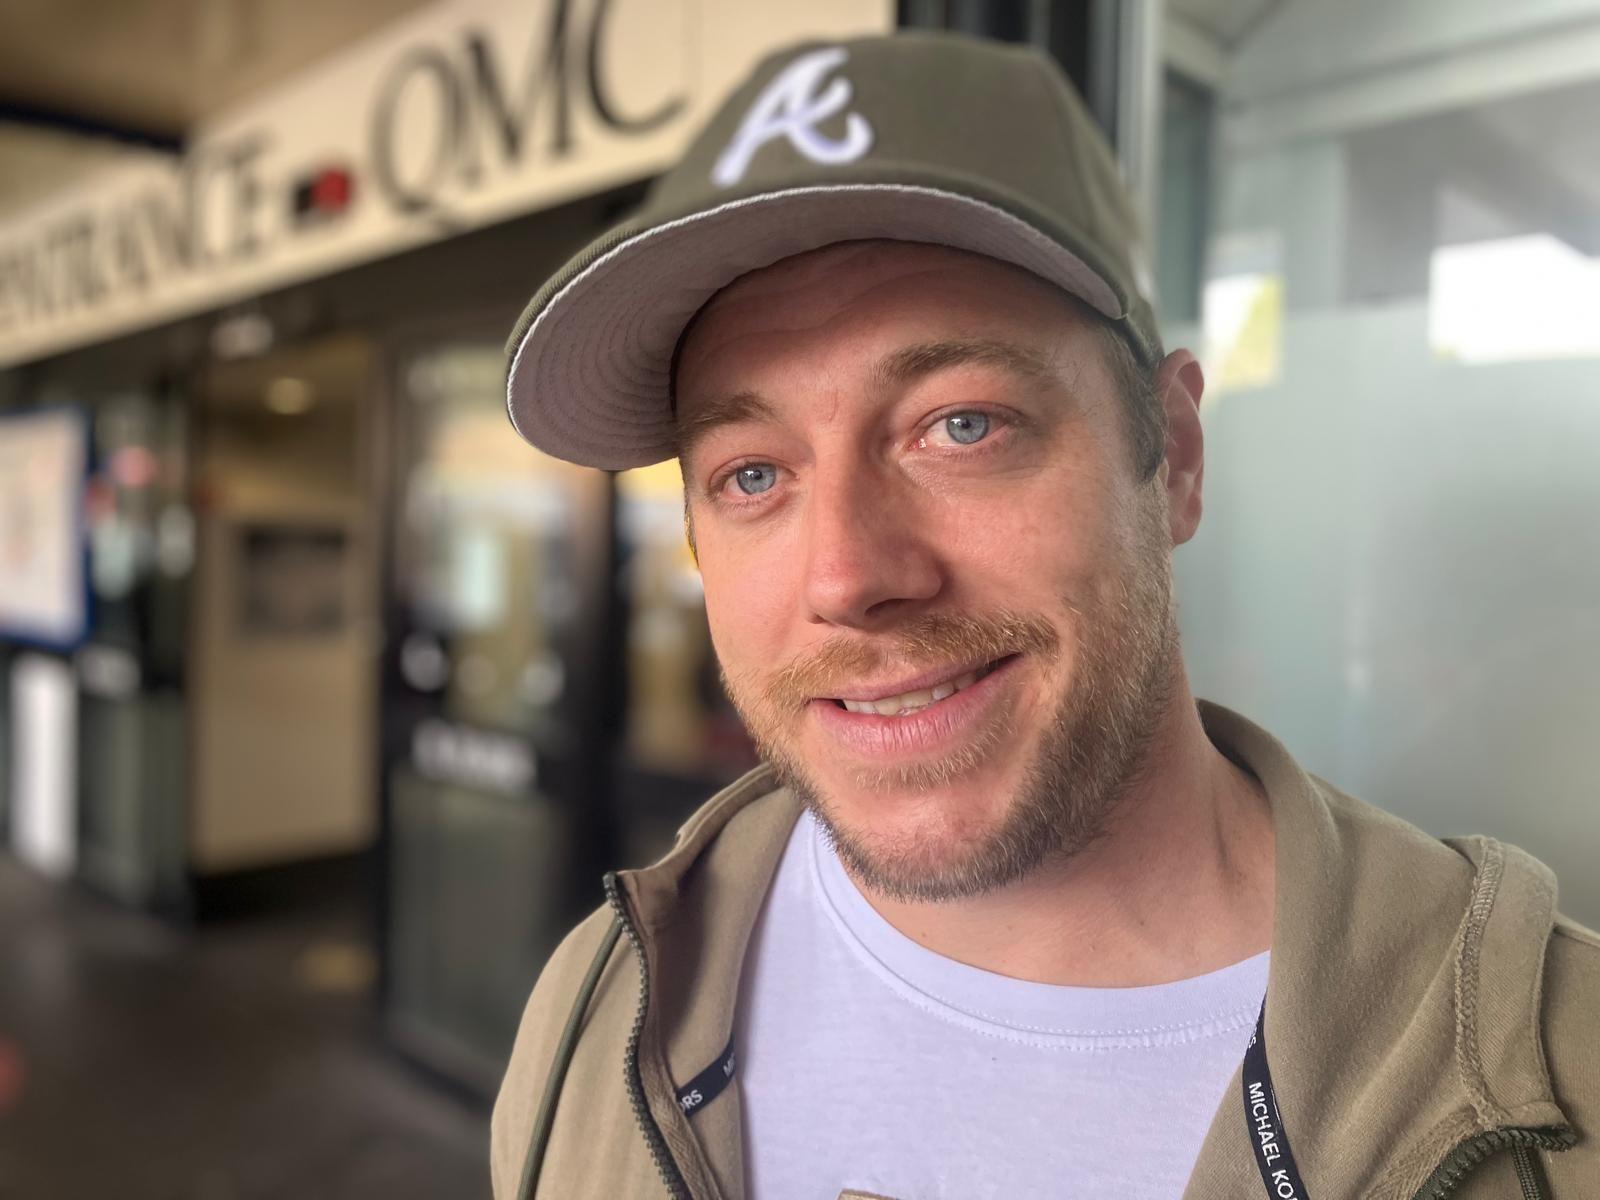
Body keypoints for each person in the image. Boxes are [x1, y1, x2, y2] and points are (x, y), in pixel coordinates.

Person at [490, 31, 1599, 1200]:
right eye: (752, 475)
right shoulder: (599, 1009)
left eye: (961, 425)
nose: (847, 576)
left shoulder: (1558, 1081)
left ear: (1170, 456)